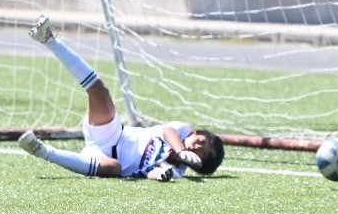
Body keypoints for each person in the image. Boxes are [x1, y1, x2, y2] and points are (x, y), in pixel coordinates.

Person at [19, 15, 224, 182]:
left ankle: (41, 150)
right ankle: (49, 39)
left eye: (202, 153)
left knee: (114, 168)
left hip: (102, 159)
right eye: (200, 141)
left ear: (197, 165)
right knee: (101, 92)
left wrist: (161, 175)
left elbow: (151, 172)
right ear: (195, 133)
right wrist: (180, 150)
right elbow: (167, 131)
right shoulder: (181, 130)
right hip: (113, 134)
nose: (196, 148)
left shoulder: (177, 170)